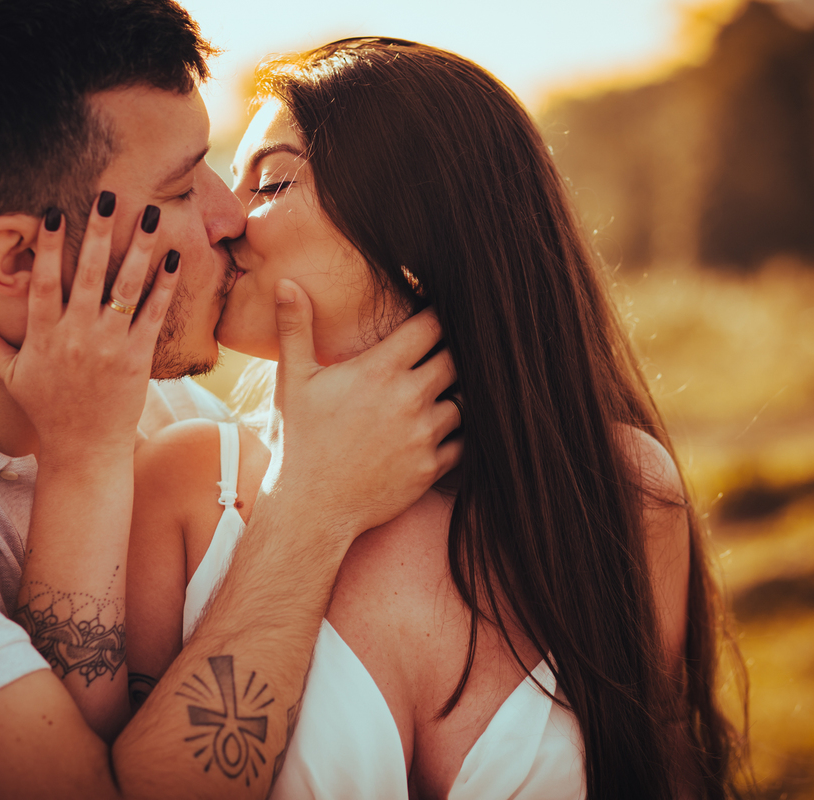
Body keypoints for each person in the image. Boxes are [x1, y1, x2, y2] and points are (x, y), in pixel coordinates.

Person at [0, 6, 460, 800]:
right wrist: (310, 507)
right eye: (181, 188)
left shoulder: (161, 409)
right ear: (15, 258)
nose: (228, 215)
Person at [119, 39, 748, 799]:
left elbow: (666, 774)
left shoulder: (618, 492)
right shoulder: (190, 488)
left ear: (420, 220)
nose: (224, 220)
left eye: (273, 181)